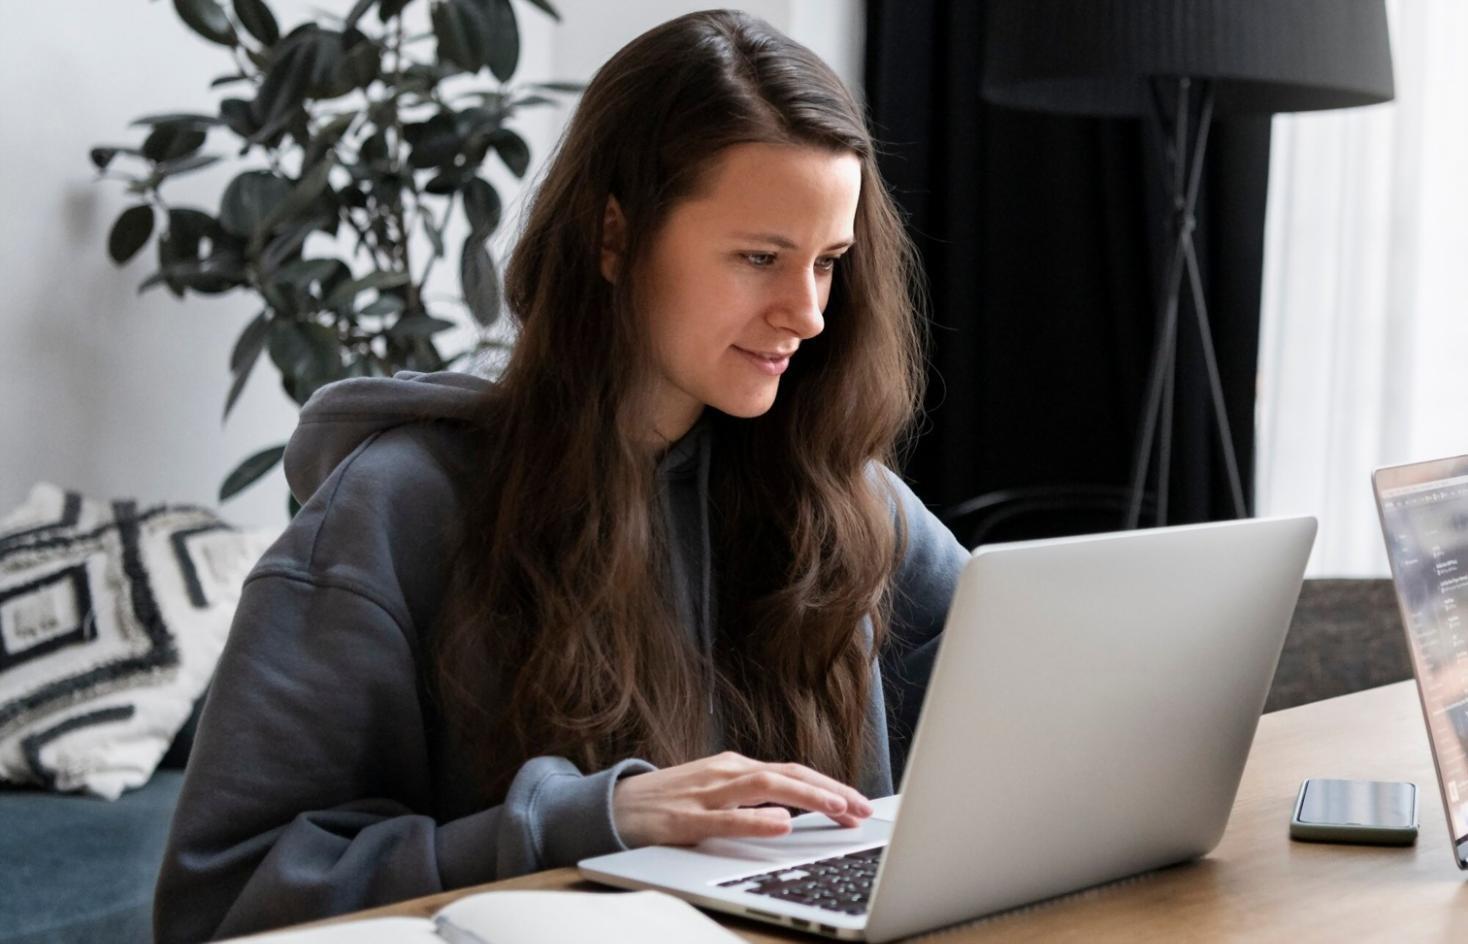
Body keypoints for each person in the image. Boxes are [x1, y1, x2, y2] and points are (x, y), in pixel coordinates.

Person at [153, 9, 969, 942]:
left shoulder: (842, 499)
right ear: (613, 238)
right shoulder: (397, 510)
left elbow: (1021, 686)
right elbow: (219, 899)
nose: (809, 314)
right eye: (759, 259)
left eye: (828, 263)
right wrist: (592, 822)